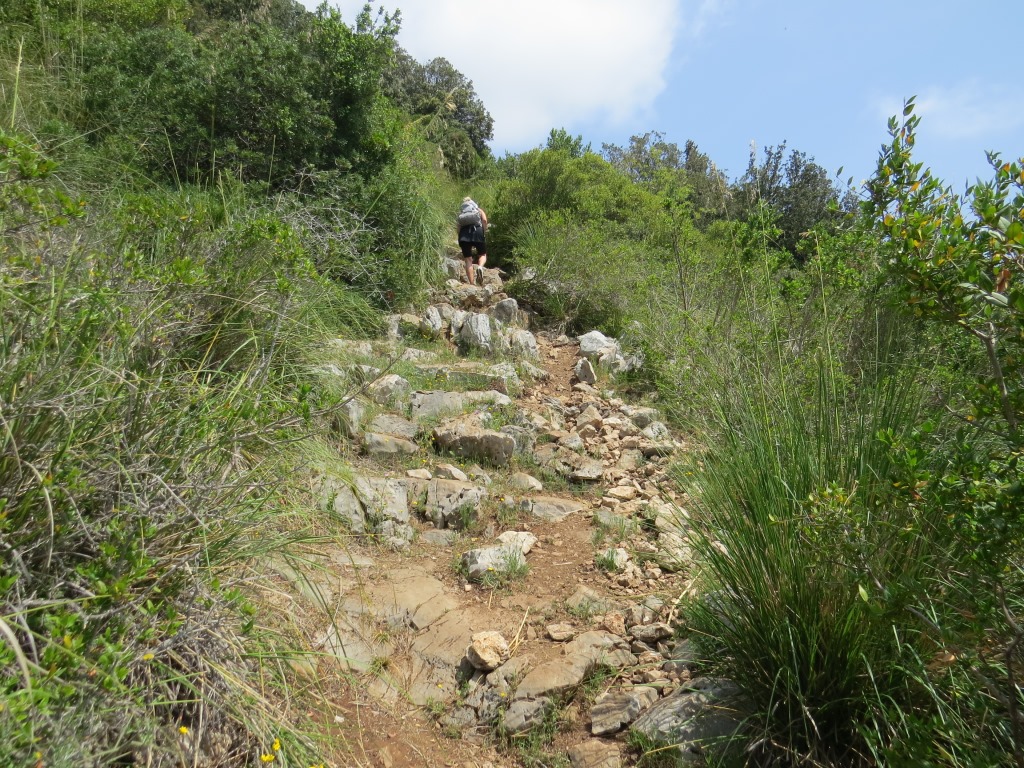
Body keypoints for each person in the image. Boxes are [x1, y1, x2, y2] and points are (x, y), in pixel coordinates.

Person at [457, 197, 488, 285]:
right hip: (477, 231)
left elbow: (458, 227)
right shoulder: (478, 210)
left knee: (468, 259)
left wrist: (460, 237)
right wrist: (483, 231)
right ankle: (480, 267)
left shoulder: (461, 213)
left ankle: (472, 283)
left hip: (464, 235)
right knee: (482, 254)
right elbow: (484, 220)